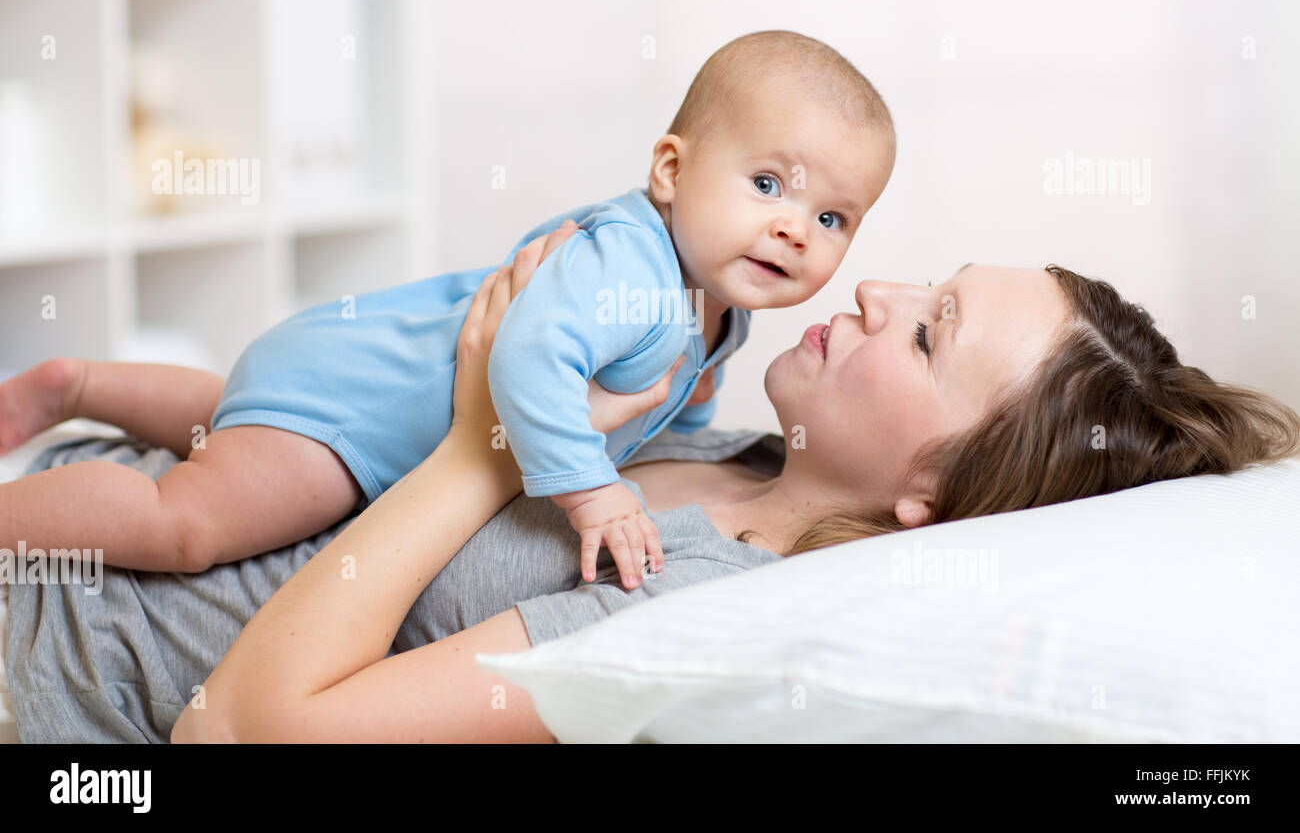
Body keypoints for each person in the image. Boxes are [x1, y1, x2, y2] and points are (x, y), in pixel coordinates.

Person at [3, 225, 1295, 742]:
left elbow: (250, 730)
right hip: (69, 507)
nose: (879, 291)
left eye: (927, 332)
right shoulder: (726, 440)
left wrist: (483, 446)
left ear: (932, 493)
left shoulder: (688, 602)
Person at [0, 30, 897, 591]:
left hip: (347, 370)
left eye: (830, 218)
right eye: (768, 183)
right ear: (671, 169)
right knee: (188, 524)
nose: (791, 230)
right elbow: (525, 359)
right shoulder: (636, 270)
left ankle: (76, 382)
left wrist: (661, 438)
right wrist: (592, 499)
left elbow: (675, 396)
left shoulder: (714, 306)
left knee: (232, 417)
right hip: (358, 423)